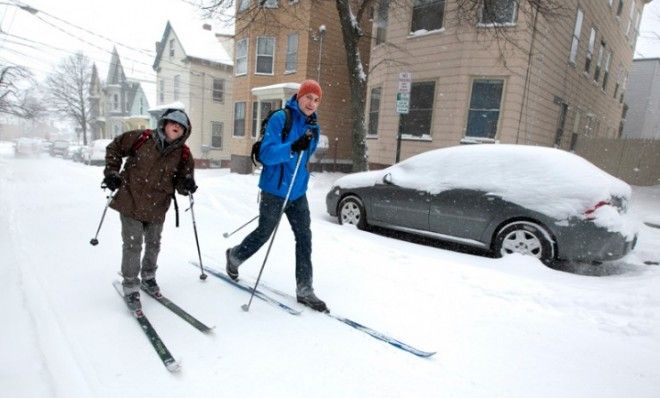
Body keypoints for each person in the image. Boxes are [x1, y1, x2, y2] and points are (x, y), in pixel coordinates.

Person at [226, 79, 328, 312]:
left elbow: (305, 159)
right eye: (308, 97)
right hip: (274, 190)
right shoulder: (281, 118)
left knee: (304, 237)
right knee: (264, 233)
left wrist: (301, 151)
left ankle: (305, 289)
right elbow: (267, 154)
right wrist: (293, 146)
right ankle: (234, 256)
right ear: (299, 97)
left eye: (316, 100)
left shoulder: (314, 126)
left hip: (297, 192)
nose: (312, 103)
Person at [103, 109, 197, 310]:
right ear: (164, 123)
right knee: (133, 244)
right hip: (131, 199)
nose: (176, 127)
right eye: (173, 122)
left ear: (185, 131)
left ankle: (148, 277)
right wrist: (112, 171)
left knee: (153, 243)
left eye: (181, 126)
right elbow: (114, 148)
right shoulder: (142, 138)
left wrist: (187, 183)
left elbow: (182, 182)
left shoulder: (184, 154)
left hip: (158, 204)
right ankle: (130, 285)